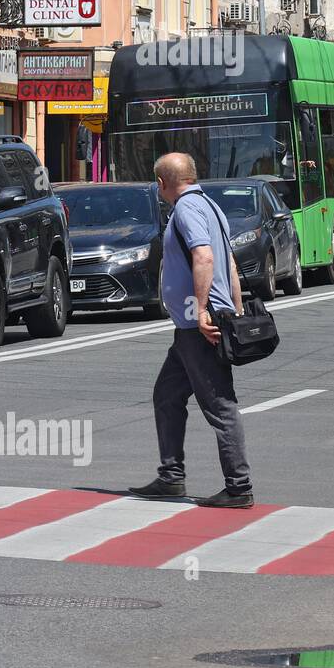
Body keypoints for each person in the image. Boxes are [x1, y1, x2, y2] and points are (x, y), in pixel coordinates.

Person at [129, 152, 254, 509]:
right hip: (194, 326)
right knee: (167, 395)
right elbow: (229, 262)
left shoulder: (185, 210)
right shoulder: (211, 206)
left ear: (161, 184)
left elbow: (205, 256)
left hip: (199, 325)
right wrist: (236, 308)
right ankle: (170, 477)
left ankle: (239, 486)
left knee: (219, 405)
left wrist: (203, 311)